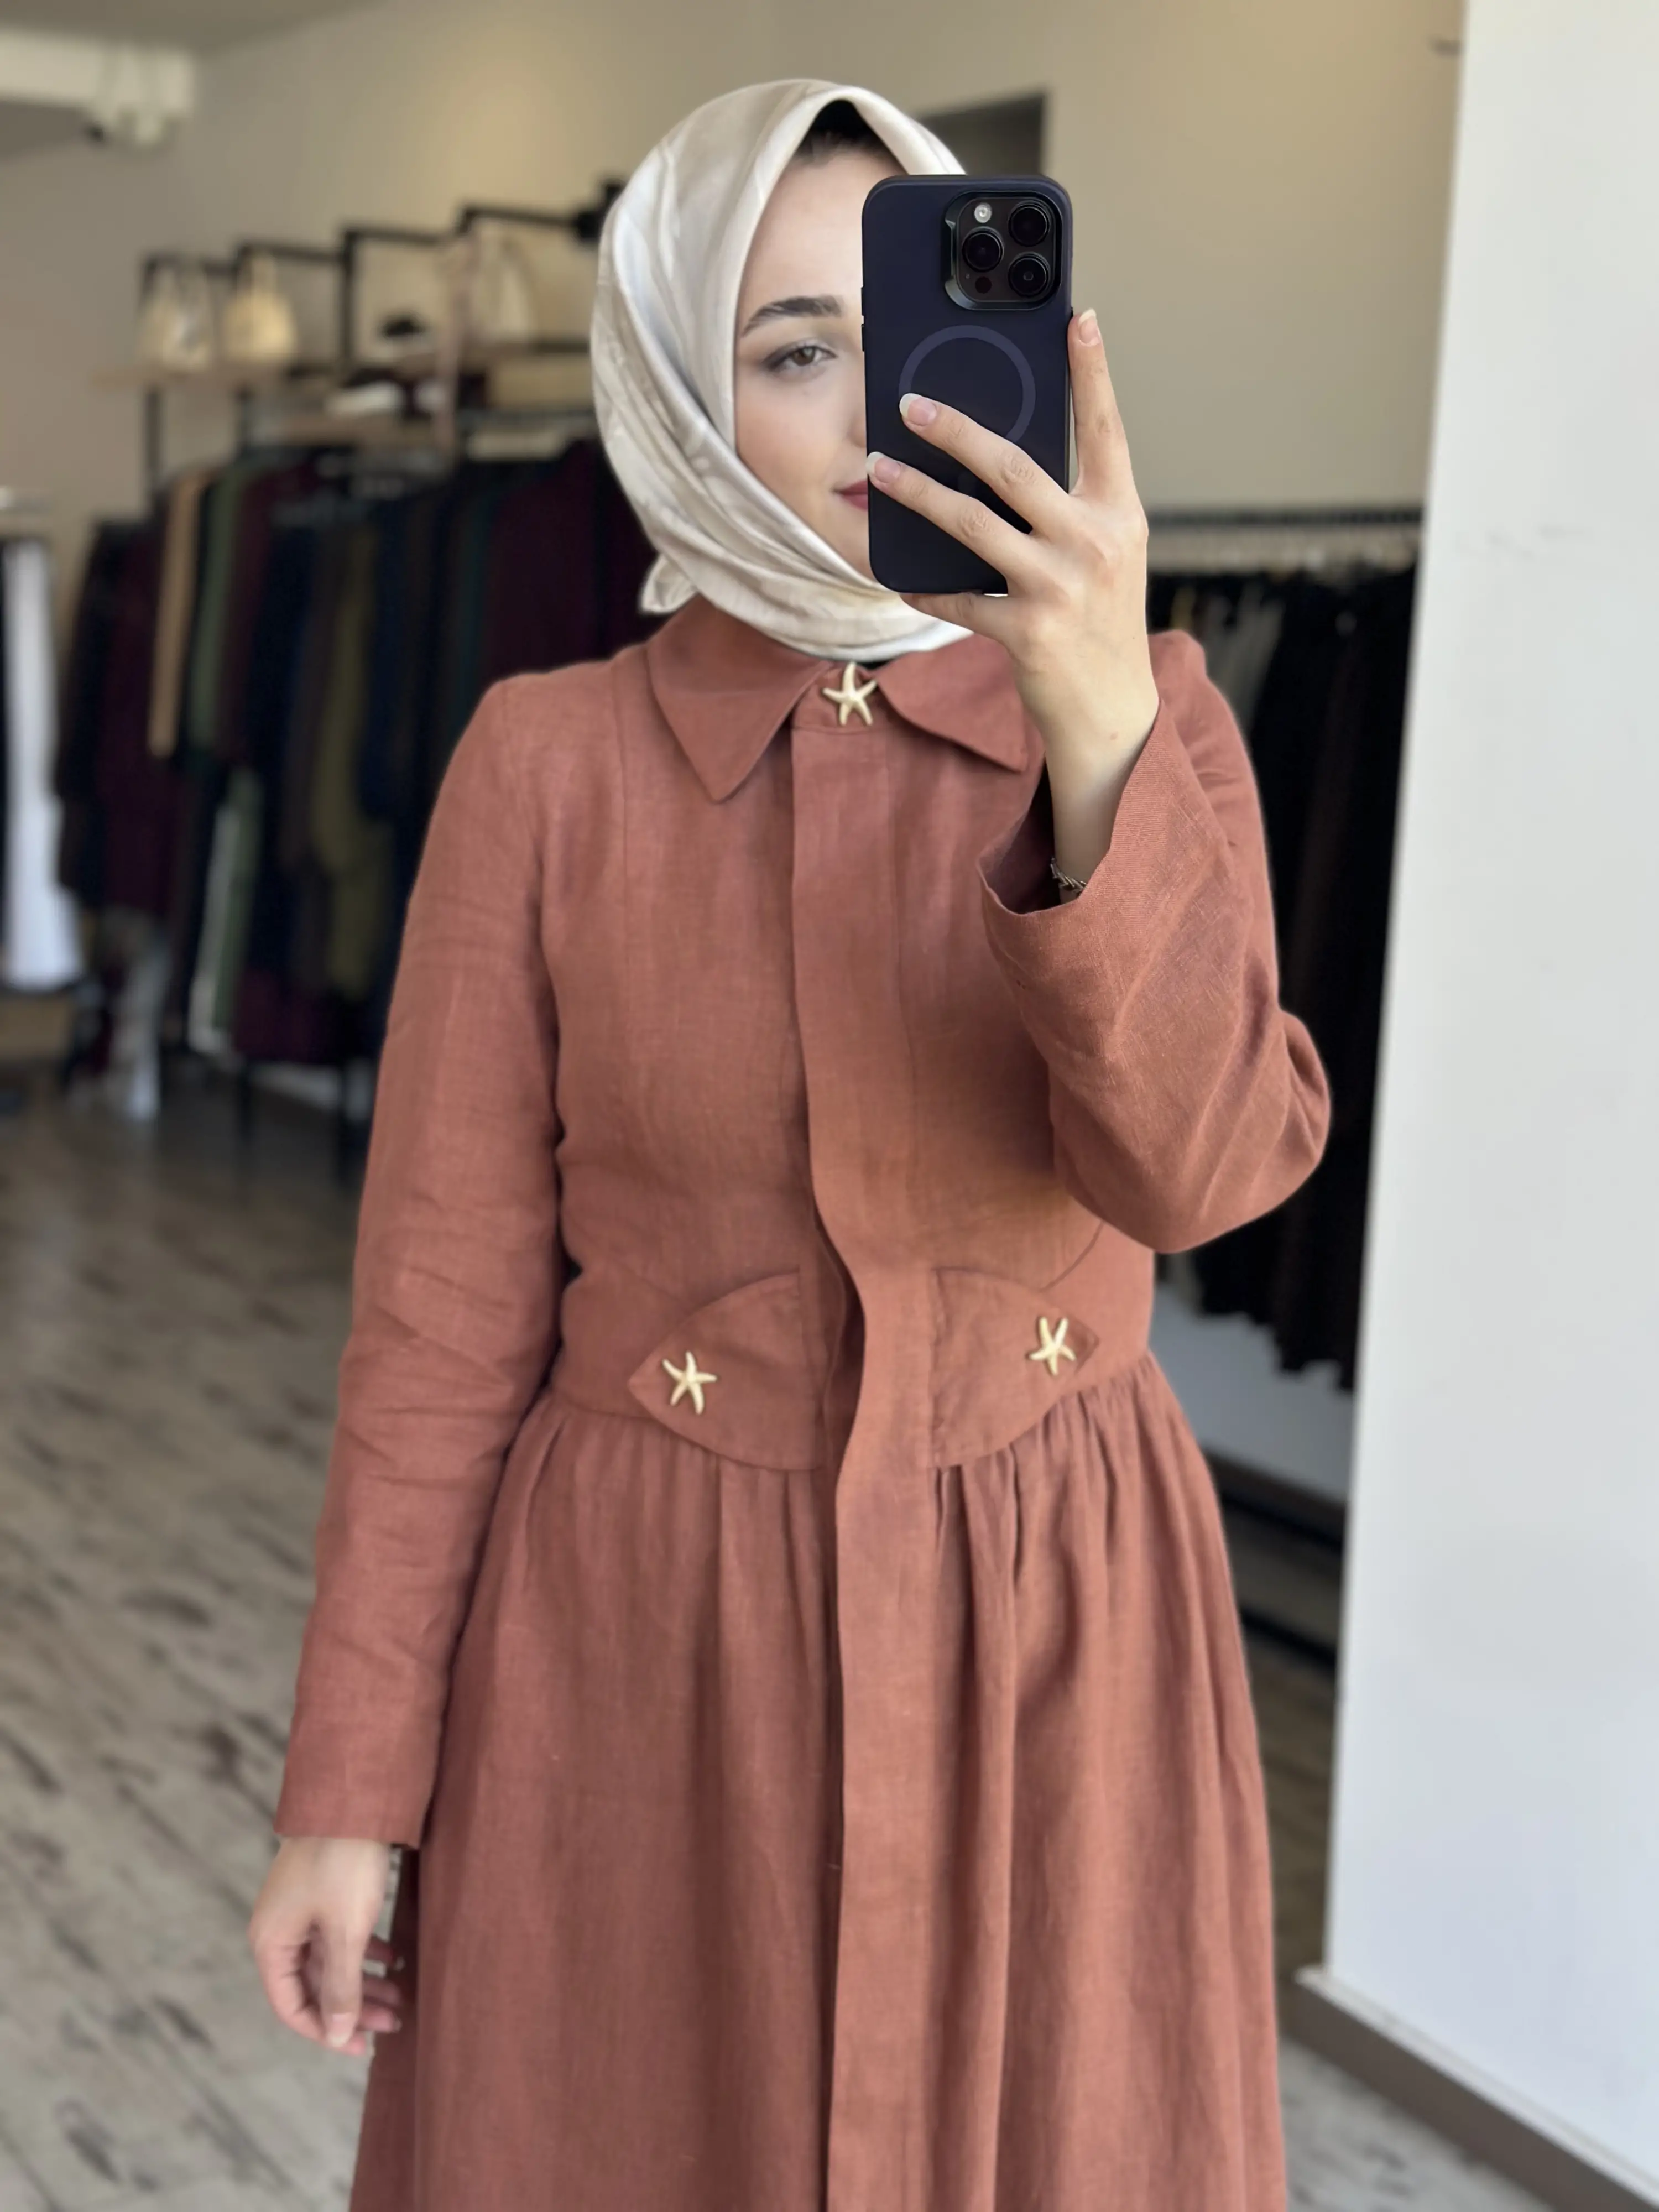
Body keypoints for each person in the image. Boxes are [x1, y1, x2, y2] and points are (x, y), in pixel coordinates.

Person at [248, 76, 1331, 2212]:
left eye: (909, 330)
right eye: (793, 348)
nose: (874, 408)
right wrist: (348, 1795)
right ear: (677, 390)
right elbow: (441, 1326)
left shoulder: (1158, 713)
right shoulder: (546, 767)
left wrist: (1095, 730)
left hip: (1057, 1626)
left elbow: (1205, 1175)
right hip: (644, 1650)